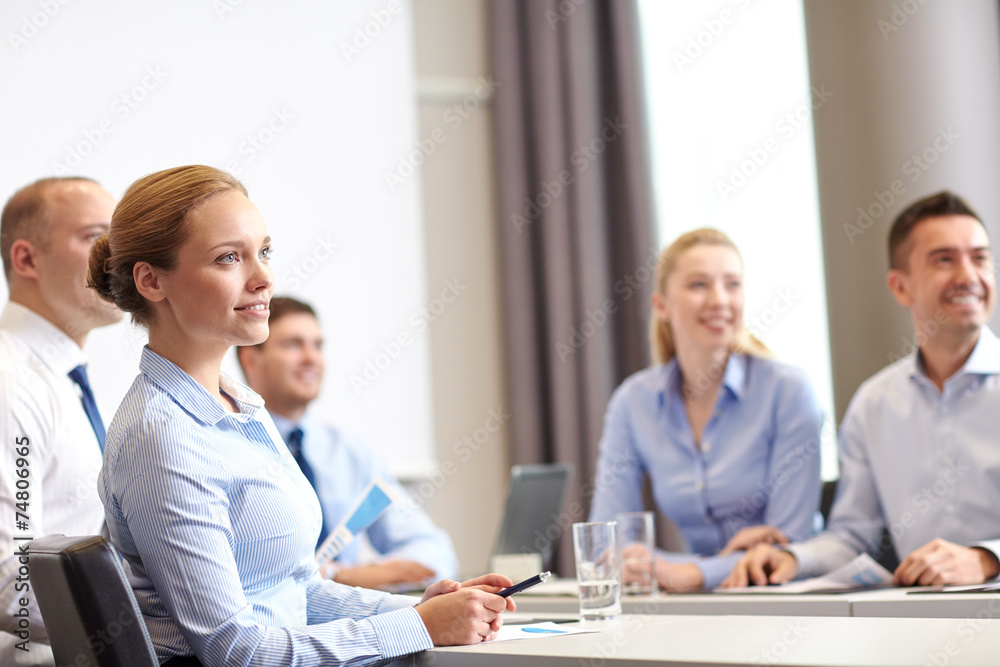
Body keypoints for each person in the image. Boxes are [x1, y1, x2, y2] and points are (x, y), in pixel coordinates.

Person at [88, 165, 512, 666]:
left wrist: (420, 611)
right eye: (229, 258)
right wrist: (415, 628)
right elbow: (237, 651)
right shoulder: (163, 436)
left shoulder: (239, 405)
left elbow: (297, 593)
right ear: (151, 281)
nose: (264, 277)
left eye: (264, 252)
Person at [723, 191, 1000, 589]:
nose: (969, 276)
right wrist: (790, 558)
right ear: (900, 287)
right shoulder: (874, 405)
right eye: (944, 259)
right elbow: (851, 538)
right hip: (919, 624)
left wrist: (987, 558)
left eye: (980, 258)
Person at [588, 228, 824, 591]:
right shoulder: (633, 402)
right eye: (699, 285)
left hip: (790, 595)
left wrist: (691, 573)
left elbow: (787, 544)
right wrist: (707, 567)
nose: (720, 300)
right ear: (661, 305)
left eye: (732, 284)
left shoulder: (789, 391)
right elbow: (608, 543)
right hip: (704, 603)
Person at [236, 296, 459, 589]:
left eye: (317, 345)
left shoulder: (348, 451)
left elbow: (432, 550)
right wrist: (345, 576)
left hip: (352, 619)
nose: (311, 358)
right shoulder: (232, 448)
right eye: (293, 344)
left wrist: (347, 575)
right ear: (251, 359)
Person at [0, 177, 122, 666]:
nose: (117, 257)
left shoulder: (61, 380)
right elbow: (9, 577)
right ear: (27, 259)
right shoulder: (10, 384)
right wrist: (145, 624)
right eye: (94, 237)